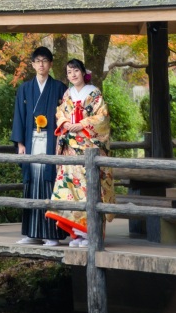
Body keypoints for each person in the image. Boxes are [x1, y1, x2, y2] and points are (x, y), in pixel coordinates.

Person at [45, 58, 115, 246]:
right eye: (69, 72)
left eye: (76, 70)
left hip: (88, 147)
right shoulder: (67, 94)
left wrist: (82, 124)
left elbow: (102, 118)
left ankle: (92, 234)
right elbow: (60, 112)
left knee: (89, 190)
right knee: (70, 189)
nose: (73, 75)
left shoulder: (94, 93)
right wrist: (65, 123)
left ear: (83, 72)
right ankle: (78, 233)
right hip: (70, 149)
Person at [11, 45, 67, 245]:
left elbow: (64, 116)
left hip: (51, 141)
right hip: (31, 141)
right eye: (38, 61)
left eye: (45, 61)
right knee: (32, 183)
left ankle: (52, 234)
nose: (41, 65)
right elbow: (19, 116)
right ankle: (31, 233)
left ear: (50, 64)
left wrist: (61, 144)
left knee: (50, 182)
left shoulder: (59, 88)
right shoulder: (25, 89)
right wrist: (20, 144)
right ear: (33, 64)